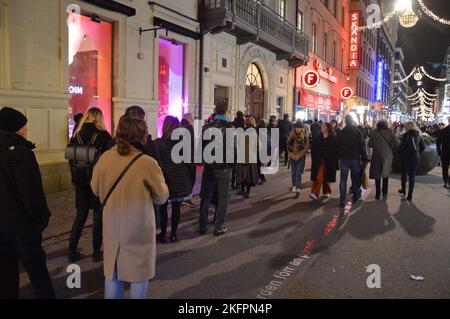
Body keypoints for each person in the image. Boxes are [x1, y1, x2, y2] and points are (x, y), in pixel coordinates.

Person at [91, 116, 169, 299]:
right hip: (138, 230)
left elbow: (95, 188)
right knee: (139, 275)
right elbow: (162, 197)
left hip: (112, 226)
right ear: (142, 135)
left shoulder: (106, 158)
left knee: (113, 274)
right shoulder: (147, 163)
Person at [0, 107, 55, 299]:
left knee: (6, 276)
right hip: (22, 227)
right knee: (39, 276)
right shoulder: (21, 153)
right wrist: (41, 219)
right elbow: (31, 195)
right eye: (24, 127)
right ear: (15, 128)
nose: (26, 131)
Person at [68, 107, 112, 262]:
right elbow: (109, 161)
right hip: (98, 182)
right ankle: (96, 252)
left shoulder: (76, 135)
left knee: (80, 216)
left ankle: (72, 249)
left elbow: (71, 160)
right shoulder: (104, 136)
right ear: (99, 118)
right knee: (98, 217)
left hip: (80, 181)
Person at [198, 101, 234, 236]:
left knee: (205, 196)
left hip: (209, 166)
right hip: (224, 167)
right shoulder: (230, 128)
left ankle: (202, 226)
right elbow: (233, 149)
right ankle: (218, 226)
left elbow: (200, 147)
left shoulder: (206, 127)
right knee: (223, 197)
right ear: (226, 111)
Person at [155, 116, 192, 243]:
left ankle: (163, 234)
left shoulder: (159, 144)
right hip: (179, 179)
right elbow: (189, 163)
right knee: (176, 207)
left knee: (163, 207)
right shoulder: (182, 143)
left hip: (165, 179)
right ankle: (174, 234)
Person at [338, 115, 368, 208]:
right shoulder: (357, 132)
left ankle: (342, 200)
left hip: (344, 159)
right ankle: (355, 195)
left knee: (343, 180)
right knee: (355, 178)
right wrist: (364, 158)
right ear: (352, 121)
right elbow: (362, 146)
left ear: (345, 121)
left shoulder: (342, 132)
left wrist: (339, 155)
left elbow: (338, 145)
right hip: (355, 158)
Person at [368, 119, 399, 200]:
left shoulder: (374, 132)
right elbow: (396, 143)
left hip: (376, 156)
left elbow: (370, 144)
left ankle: (377, 194)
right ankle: (384, 192)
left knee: (377, 174)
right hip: (388, 155)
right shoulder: (391, 131)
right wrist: (390, 147)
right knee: (386, 173)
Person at [309, 122, 338, 201]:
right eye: (322, 126)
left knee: (327, 177)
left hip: (329, 161)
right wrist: (315, 156)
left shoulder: (333, 138)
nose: (321, 127)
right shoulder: (318, 138)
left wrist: (334, 159)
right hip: (319, 161)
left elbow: (336, 150)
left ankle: (326, 191)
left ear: (327, 128)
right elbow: (313, 149)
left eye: (323, 126)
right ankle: (314, 193)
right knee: (318, 177)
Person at [397, 121, 425, 201]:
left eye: (406, 126)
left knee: (404, 174)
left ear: (409, 127)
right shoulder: (418, 135)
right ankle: (410, 195)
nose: (405, 127)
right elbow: (423, 147)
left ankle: (403, 190)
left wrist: (399, 152)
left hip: (406, 158)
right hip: (415, 158)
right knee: (412, 176)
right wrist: (417, 153)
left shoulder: (406, 135)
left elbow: (402, 146)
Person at [236, 116, 259, 198]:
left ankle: (242, 190)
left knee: (242, 173)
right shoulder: (254, 132)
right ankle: (247, 192)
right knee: (249, 175)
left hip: (242, 155)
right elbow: (258, 146)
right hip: (251, 156)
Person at [287, 121, 309, 198]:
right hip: (292, 157)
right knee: (293, 172)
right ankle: (294, 185)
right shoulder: (291, 135)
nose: (298, 129)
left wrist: (299, 156)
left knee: (298, 173)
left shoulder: (305, 136)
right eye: (296, 127)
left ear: (302, 128)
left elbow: (306, 148)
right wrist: (292, 155)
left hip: (300, 157)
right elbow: (288, 146)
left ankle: (298, 188)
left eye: (299, 127)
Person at [181, 113, 197, 207]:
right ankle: (187, 198)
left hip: (181, 158)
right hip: (189, 157)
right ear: (188, 118)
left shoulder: (179, 126)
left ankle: (181, 198)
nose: (193, 120)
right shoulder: (189, 128)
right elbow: (192, 144)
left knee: (183, 178)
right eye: (192, 118)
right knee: (191, 177)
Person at [437, 118, 450, 188]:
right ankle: (445, 181)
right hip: (445, 152)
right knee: (445, 167)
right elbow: (438, 141)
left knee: (445, 167)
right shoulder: (444, 131)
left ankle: (447, 181)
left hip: (445, 151)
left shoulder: (444, 130)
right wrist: (439, 151)